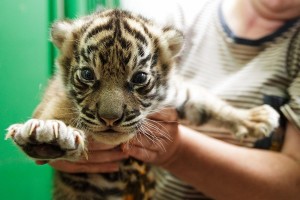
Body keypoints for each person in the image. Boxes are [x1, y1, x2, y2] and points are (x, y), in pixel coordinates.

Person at [48, 0, 300, 199]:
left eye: (138, 79)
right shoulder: (178, 16)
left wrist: (176, 150)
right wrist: (51, 127)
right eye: (88, 75)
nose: (111, 113)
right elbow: (59, 88)